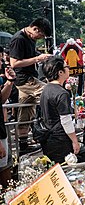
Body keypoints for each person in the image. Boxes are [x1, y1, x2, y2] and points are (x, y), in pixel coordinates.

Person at [9, 18, 53, 150]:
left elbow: (30, 53)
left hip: (28, 78)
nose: (40, 38)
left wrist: (42, 56)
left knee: (26, 110)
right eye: (41, 35)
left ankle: (23, 144)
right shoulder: (19, 39)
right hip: (24, 79)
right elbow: (14, 63)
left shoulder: (30, 39)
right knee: (50, 94)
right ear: (35, 29)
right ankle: (51, 132)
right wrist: (36, 59)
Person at [40, 57, 80, 163]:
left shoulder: (46, 89)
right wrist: (75, 141)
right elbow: (66, 121)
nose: (69, 68)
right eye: (66, 66)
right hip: (60, 139)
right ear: (60, 72)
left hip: (48, 137)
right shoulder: (61, 93)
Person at [0, 67, 16, 189]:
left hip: (2, 134)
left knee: (6, 170)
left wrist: (9, 82)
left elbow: (1, 99)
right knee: (5, 180)